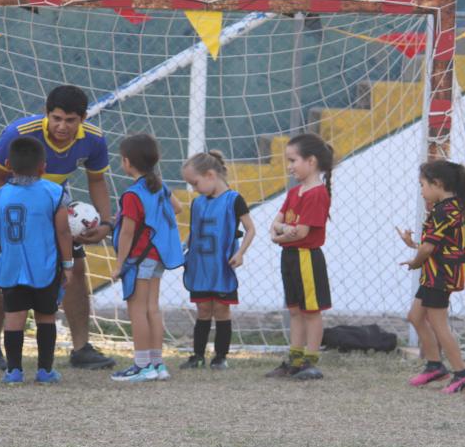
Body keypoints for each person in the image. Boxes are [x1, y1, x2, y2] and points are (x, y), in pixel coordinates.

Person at [0, 85, 116, 370]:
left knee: (75, 268)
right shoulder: (18, 133)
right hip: (9, 205)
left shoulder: (94, 140)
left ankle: (81, 348)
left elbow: (97, 181)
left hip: (52, 206)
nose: (62, 126)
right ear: (46, 113)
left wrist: (106, 223)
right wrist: (13, 211)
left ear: (83, 119)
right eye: (56, 118)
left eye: (70, 120)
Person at [0, 137, 74, 384]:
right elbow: (63, 232)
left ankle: (14, 371)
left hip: (11, 268)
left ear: (7, 164)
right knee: (46, 317)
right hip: (44, 267)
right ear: (43, 167)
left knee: (13, 318)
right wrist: (68, 265)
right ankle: (45, 370)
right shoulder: (54, 193)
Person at [397, 159, 465, 393]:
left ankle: (462, 374)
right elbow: (436, 244)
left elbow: (428, 249)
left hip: (441, 277)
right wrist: (413, 244)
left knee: (438, 323)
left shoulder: (444, 211)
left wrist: (415, 262)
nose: (421, 191)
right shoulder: (449, 208)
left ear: (438, 184)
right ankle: (435, 366)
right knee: (415, 316)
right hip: (434, 275)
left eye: (422, 185)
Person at [110, 134, 184, 383]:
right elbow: (178, 208)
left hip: (140, 258)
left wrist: (119, 265)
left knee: (137, 311)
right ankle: (157, 363)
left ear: (127, 161)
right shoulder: (159, 186)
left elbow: (127, 233)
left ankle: (142, 366)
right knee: (152, 308)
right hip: (157, 256)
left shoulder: (133, 194)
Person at [179, 150, 256, 370]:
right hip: (200, 267)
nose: (193, 189)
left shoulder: (234, 200)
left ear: (210, 175)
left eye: (195, 183)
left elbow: (250, 229)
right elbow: (194, 231)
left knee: (222, 310)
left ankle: (220, 357)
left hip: (222, 267)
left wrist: (240, 253)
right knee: (203, 310)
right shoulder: (198, 203)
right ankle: (197, 356)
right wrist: (183, 247)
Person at [266, 133, 334, 380]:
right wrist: (284, 231)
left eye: (293, 160)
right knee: (294, 310)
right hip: (290, 257)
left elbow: (302, 232)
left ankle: (310, 361)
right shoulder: (294, 192)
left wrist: (281, 234)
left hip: (307, 258)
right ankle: (294, 361)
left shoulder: (317, 194)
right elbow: (275, 225)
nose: (289, 166)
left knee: (311, 312)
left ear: (311, 161)